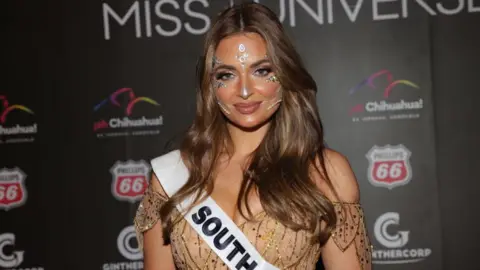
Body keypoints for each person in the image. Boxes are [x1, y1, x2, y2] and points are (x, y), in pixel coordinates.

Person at [134, 2, 372, 269]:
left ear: (284, 73)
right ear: (211, 85)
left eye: (262, 71)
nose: (245, 90)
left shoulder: (326, 172)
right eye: (227, 75)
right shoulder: (173, 177)